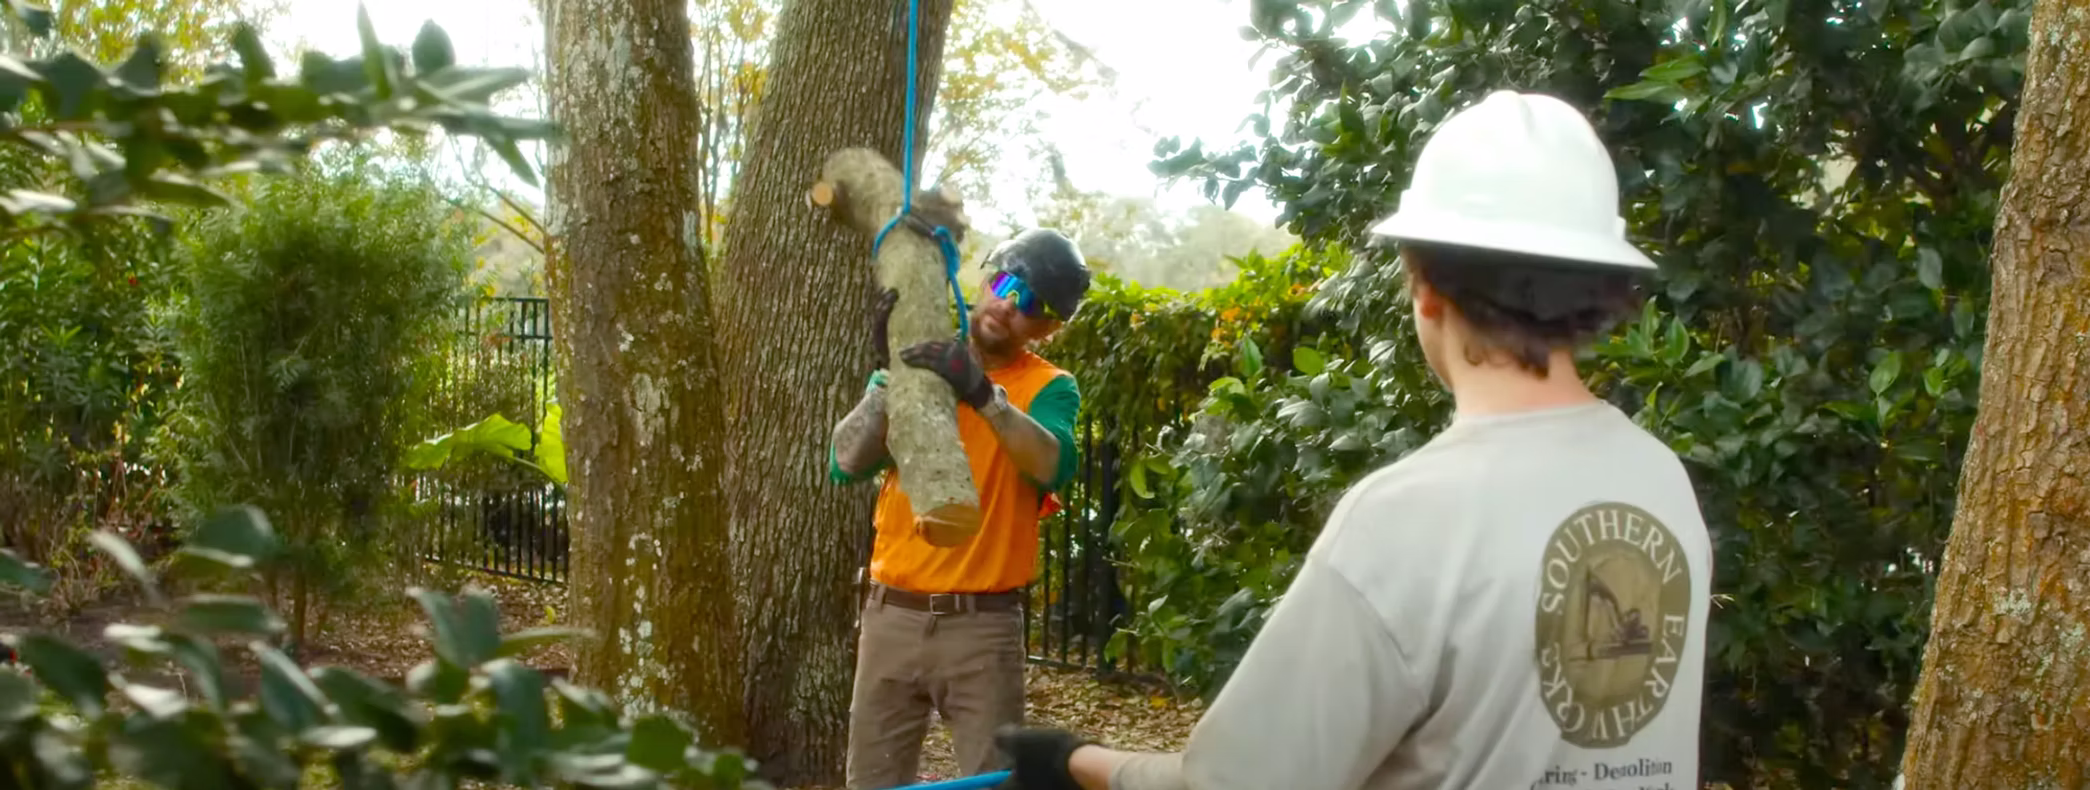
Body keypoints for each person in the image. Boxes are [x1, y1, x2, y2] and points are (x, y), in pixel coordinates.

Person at [990, 90, 1715, 790]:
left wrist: (1077, 761)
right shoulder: (1659, 479)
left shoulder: (1411, 518)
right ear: (1602, 290)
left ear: (1425, 286)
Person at [828, 227, 1093, 790]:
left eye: (1034, 307)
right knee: (871, 784)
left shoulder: (1049, 387)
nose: (1009, 306)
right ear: (984, 274)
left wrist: (981, 395)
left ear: (1048, 329)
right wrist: (888, 381)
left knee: (992, 783)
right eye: (1006, 283)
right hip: (890, 618)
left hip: (983, 626)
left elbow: (1053, 465)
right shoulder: (923, 355)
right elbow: (845, 462)